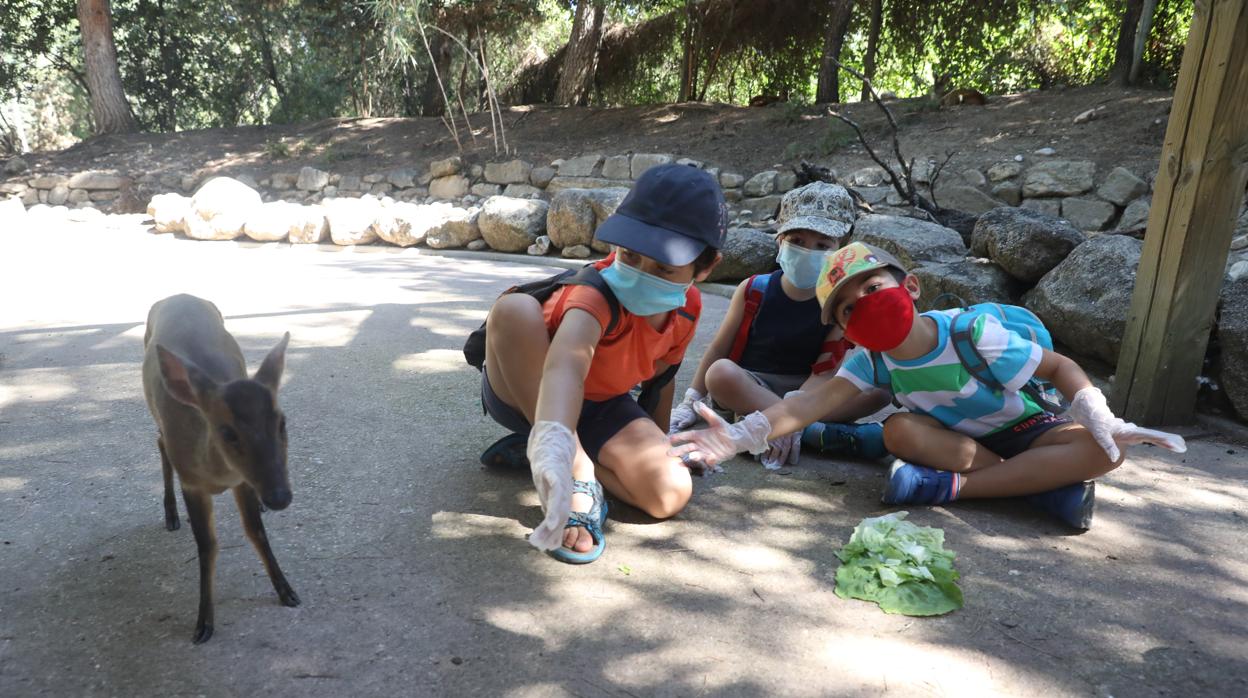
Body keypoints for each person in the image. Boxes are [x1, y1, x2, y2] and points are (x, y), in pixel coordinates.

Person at [670, 242, 1186, 529]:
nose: (865, 305)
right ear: (843, 328)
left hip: (1027, 429)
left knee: (1111, 452)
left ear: (910, 287)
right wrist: (740, 436)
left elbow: (1058, 367)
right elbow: (809, 404)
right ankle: (1034, 487)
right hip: (960, 445)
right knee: (899, 432)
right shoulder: (870, 361)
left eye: (874, 288)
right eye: (848, 308)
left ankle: (962, 490)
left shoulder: (969, 331)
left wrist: (1100, 416)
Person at [480, 163, 725, 564]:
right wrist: (567, 458)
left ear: (706, 265)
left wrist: (659, 448)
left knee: (669, 493)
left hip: (602, 404)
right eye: (629, 256)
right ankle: (563, 464)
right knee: (514, 310)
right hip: (528, 388)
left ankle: (556, 455)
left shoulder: (686, 310)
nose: (641, 273)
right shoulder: (593, 295)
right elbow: (565, 370)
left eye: (664, 268)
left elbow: (661, 383)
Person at [668, 182, 890, 468]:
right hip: (751, 383)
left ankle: (773, 424)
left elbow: (825, 369)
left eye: (822, 245)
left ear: (840, 249)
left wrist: (794, 409)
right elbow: (718, 349)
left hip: (808, 391)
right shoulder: (753, 289)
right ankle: (810, 431)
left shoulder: (840, 303)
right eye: (797, 241)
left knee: (879, 391)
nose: (808, 250)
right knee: (720, 373)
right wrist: (691, 399)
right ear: (779, 239)